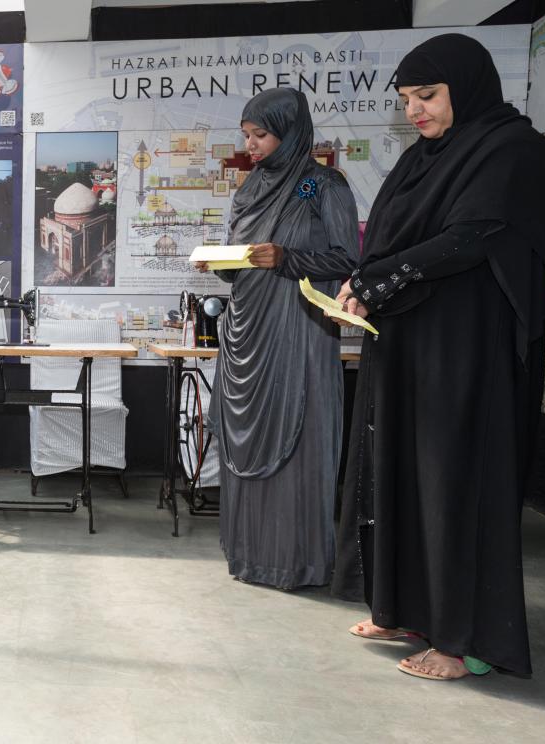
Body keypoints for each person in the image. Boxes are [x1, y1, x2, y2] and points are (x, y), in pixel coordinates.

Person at [332, 34, 545, 680]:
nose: (415, 112)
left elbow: (471, 237)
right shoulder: (421, 160)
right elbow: (391, 240)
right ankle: (402, 607)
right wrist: (360, 280)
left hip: (470, 357)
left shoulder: (517, 150)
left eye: (426, 95)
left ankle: (465, 643)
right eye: (406, 99)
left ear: (467, 84)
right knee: (401, 474)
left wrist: (383, 279)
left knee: (457, 486)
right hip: (407, 348)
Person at [197, 88, 358, 590]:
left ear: (290, 133)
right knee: (243, 443)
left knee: (299, 437)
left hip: (299, 330)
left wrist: (285, 258)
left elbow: (348, 260)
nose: (253, 145)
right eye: (246, 136)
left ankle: (295, 563)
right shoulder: (248, 190)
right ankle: (250, 556)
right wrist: (222, 264)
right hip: (246, 330)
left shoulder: (321, 186)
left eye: (261, 135)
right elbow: (244, 264)